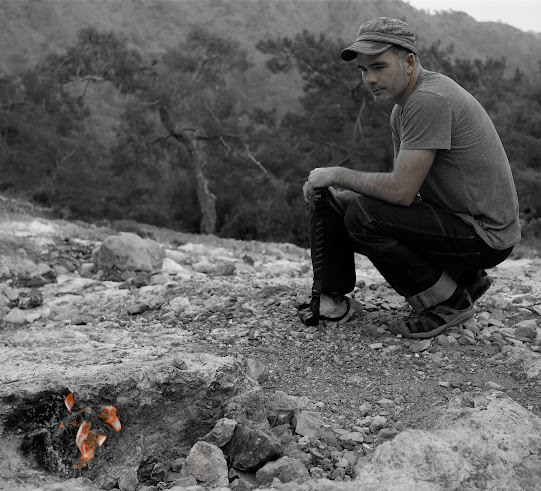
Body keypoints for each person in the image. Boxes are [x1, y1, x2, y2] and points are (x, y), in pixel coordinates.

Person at [302, 17, 521, 339]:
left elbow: (401, 193)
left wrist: (338, 174)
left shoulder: (428, 100)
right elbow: (406, 192)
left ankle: (448, 302)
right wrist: (337, 195)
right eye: (363, 70)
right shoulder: (402, 109)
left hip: (486, 235)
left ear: (408, 62)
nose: (370, 79)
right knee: (340, 203)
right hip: (460, 222)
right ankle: (332, 299)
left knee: (363, 215)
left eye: (379, 67)